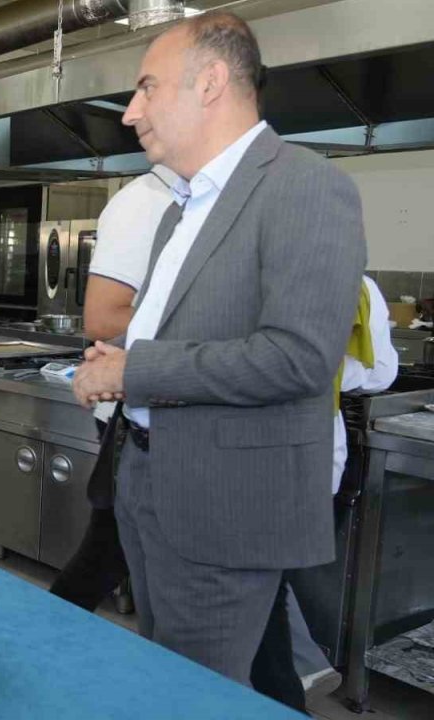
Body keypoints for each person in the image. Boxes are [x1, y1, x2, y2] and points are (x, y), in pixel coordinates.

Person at [71, 12, 366, 698]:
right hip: (146, 483)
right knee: (164, 672)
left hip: (222, 507)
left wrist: (133, 369)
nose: (130, 113)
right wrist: (117, 355)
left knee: (194, 696)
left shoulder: (306, 186)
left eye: (146, 88)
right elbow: (187, 336)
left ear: (209, 83)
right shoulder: (183, 209)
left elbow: (297, 357)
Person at [48, 168, 174, 613]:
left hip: (177, 416)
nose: (137, 113)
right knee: (106, 554)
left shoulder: (204, 199)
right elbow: (101, 319)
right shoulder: (143, 202)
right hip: (141, 422)